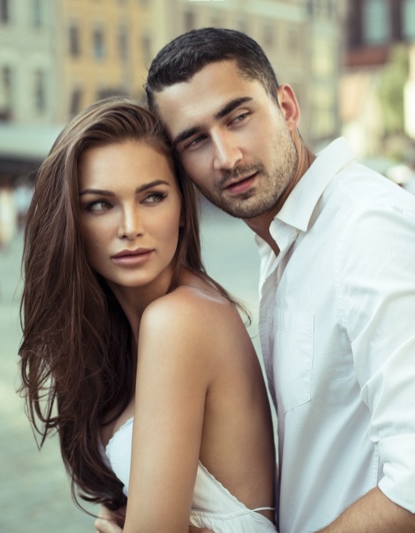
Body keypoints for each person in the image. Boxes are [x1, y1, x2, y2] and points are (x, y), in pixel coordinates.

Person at [99, 27, 415, 532]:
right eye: (195, 140)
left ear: (286, 107)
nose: (226, 157)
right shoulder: (289, 241)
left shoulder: (374, 234)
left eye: (238, 117)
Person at [18, 98, 277, 532]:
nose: (130, 226)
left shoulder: (179, 320)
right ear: (71, 222)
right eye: (101, 204)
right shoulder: (132, 327)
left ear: (181, 209)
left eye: (152, 197)